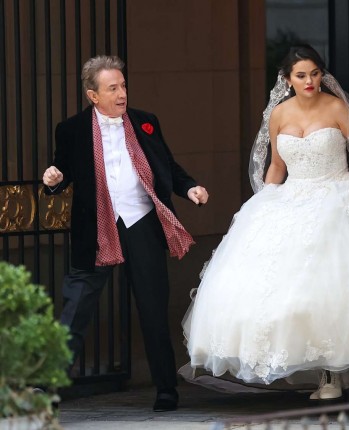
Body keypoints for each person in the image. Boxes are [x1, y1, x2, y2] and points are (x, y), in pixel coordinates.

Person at [180, 44, 349, 400]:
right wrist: (264, 202)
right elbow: (276, 166)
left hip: (338, 195)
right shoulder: (278, 114)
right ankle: (321, 373)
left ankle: (333, 375)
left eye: (315, 73)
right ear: (287, 79)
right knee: (284, 292)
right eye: (301, 75)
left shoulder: (337, 108)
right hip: (291, 196)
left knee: (336, 286)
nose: (310, 81)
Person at [42, 55, 209, 412]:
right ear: (93, 95)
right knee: (76, 310)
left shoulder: (145, 122)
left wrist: (189, 187)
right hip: (96, 228)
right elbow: (61, 170)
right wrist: (53, 177)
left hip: (141, 223)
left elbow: (167, 165)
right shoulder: (71, 130)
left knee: (152, 308)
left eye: (123, 86)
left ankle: (166, 389)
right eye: (112, 88)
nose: (121, 94)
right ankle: (47, 389)